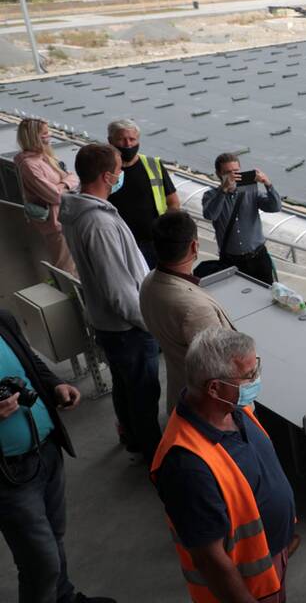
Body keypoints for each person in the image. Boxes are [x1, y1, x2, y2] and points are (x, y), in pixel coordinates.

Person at [151, 328, 298, 603]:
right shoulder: (187, 466)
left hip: (271, 558)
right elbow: (209, 559)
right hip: (248, 588)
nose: (256, 380)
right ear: (214, 388)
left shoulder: (234, 411)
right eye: (249, 376)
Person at [0, 309, 115, 603]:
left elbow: (30, 360)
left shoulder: (2, 318)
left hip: (46, 450)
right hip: (9, 475)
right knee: (41, 561)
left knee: (55, 535)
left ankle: (63, 597)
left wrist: (55, 384)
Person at [59, 143, 161, 462]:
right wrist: (150, 322)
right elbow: (118, 290)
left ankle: (131, 437)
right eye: (118, 170)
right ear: (106, 176)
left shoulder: (79, 211)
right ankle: (154, 456)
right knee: (143, 394)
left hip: (109, 325)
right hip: (127, 328)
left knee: (125, 387)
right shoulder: (98, 223)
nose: (121, 175)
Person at [140, 210, 237, 412]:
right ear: (194, 246)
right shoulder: (195, 308)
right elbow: (218, 367)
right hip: (209, 409)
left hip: (180, 391)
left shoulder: (149, 282)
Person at [106, 119, 180, 269]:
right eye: (122, 139)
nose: (128, 144)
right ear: (110, 141)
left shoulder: (153, 165)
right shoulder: (104, 170)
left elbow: (173, 202)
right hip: (120, 243)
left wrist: (167, 230)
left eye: (132, 139)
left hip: (154, 242)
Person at [201, 153, 283, 286]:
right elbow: (210, 215)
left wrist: (268, 184)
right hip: (231, 261)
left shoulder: (250, 191)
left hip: (258, 257)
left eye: (236, 171)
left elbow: (275, 207)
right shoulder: (211, 195)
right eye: (228, 173)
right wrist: (224, 190)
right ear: (218, 174)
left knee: (267, 294)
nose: (233, 176)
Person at [14, 117, 80, 275]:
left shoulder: (46, 157)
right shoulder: (29, 165)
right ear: (33, 136)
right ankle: (68, 296)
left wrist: (63, 184)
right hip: (56, 223)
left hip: (66, 217)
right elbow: (54, 196)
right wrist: (65, 183)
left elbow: (73, 177)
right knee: (65, 266)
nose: (49, 135)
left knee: (75, 263)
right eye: (45, 133)